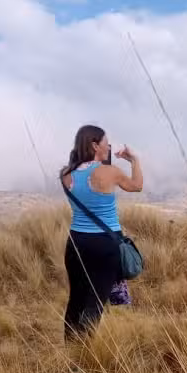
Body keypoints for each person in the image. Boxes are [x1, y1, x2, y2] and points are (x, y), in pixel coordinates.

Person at [60, 125, 143, 342]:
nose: (109, 146)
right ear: (95, 145)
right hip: (104, 245)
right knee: (94, 301)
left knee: (76, 299)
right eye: (106, 143)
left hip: (76, 243)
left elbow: (88, 180)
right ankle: (84, 356)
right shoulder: (110, 172)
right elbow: (137, 186)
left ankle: (70, 349)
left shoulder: (66, 174)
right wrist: (134, 160)